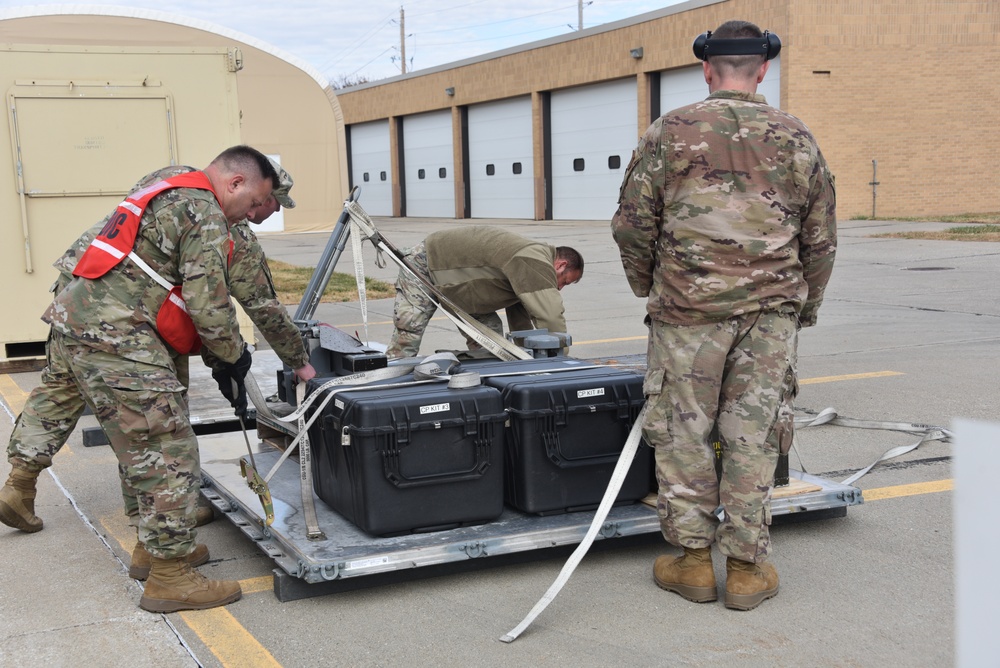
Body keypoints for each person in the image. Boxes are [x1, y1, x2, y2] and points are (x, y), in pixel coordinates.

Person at [0, 159, 316, 583]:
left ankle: (21, 485)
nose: (263, 215)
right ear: (243, 186)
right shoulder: (220, 223)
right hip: (128, 325)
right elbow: (252, 305)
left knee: (66, 395)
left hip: (78, 297)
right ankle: (168, 561)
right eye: (266, 204)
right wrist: (291, 361)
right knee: (160, 435)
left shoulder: (171, 180)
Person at [611, 21, 836, 611]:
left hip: (687, 312)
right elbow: (820, 237)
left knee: (682, 432)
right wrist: (801, 307)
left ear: (708, 69)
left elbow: (632, 224)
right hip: (769, 315)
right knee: (752, 437)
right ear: (762, 69)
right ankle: (744, 568)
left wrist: (651, 287)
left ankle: (691, 563)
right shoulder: (796, 136)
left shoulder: (669, 131)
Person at [386, 226, 584, 358]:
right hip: (426, 263)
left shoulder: (530, 266)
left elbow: (521, 318)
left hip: (465, 292)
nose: (560, 288)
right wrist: (561, 361)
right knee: (408, 335)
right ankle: (386, 390)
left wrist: (527, 357)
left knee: (493, 347)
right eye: (564, 281)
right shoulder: (534, 261)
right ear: (561, 264)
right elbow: (550, 317)